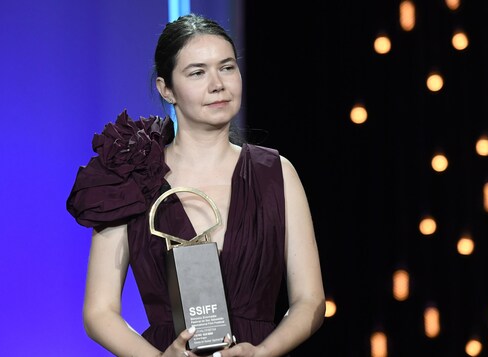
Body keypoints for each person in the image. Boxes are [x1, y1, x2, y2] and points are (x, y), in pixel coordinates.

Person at [66, 13, 325, 357]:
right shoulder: (128, 176)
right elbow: (99, 312)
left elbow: (310, 300)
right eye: (197, 72)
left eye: (227, 67)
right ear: (166, 88)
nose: (218, 84)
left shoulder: (276, 172)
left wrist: (262, 353)